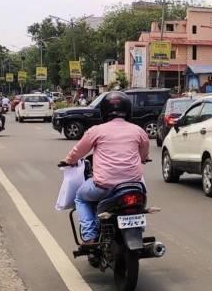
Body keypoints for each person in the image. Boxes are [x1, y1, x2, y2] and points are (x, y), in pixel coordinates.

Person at [61, 91, 150, 243]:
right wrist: (143, 159)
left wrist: (68, 161)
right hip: (134, 186)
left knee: (80, 197)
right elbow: (144, 153)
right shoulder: (138, 131)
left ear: (103, 111)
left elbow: (78, 151)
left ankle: (89, 236)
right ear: (128, 111)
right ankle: (137, 227)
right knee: (140, 201)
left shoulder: (96, 131)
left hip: (104, 186)